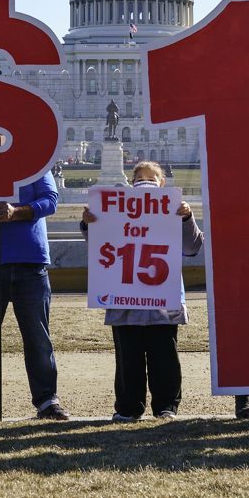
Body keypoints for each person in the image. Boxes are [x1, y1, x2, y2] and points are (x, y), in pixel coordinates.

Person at [81, 161, 203, 421]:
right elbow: (99, 249)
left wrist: (186, 218)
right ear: (131, 184)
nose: (145, 182)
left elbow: (192, 248)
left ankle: (166, 406)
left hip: (162, 299)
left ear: (163, 184)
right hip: (125, 298)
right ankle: (128, 407)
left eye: (152, 178)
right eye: (140, 178)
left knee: (164, 357)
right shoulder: (114, 210)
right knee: (128, 358)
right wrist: (90, 224)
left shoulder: (175, 212)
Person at [0, 156, 68, 422]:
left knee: (38, 338)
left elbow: (50, 199)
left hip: (30, 261)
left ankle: (47, 400)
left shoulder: (36, 160)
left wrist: (16, 212)